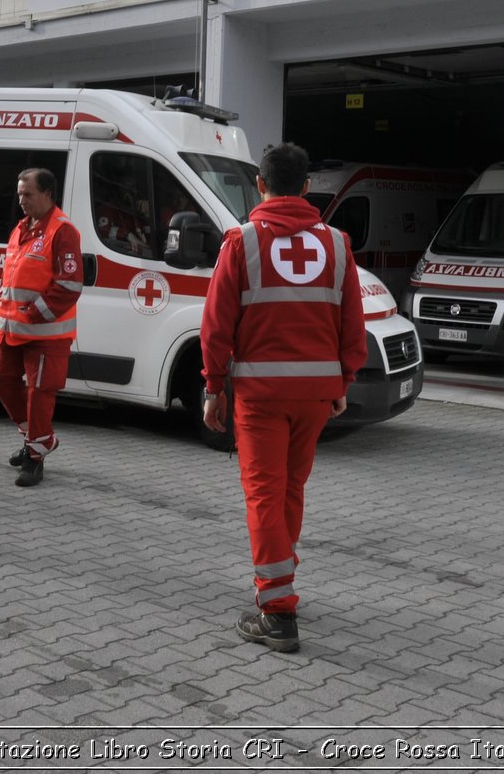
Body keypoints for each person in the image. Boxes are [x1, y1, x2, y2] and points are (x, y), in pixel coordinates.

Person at [199, 142, 367, 653]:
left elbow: (216, 327)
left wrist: (212, 388)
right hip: (315, 394)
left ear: (260, 185)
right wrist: (343, 383)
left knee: (264, 494)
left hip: (261, 395)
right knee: (290, 489)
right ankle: (282, 580)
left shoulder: (241, 242)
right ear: (308, 187)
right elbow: (351, 325)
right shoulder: (338, 244)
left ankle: (276, 610)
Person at [0, 167, 83, 488]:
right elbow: (13, 274)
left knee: (39, 394)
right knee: (3, 381)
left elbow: (70, 285)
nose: (22, 200)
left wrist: (34, 313)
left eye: (28, 194)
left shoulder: (63, 231)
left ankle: (35, 457)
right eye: (19, 194)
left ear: (47, 194)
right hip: (12, 330)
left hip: (46, 334)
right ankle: (39, 438)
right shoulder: (22, 228)